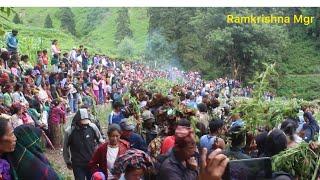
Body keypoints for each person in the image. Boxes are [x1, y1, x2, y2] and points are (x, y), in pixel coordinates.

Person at [63, 108, 104, 180]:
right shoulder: (69, 131)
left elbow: (100, 140)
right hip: (78, 164)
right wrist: (67, 161)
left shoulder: (92, 127)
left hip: (91, 162)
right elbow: (65, 147)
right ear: (77, 120)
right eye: (82, 122)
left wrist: (100, 157)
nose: (85, 124)